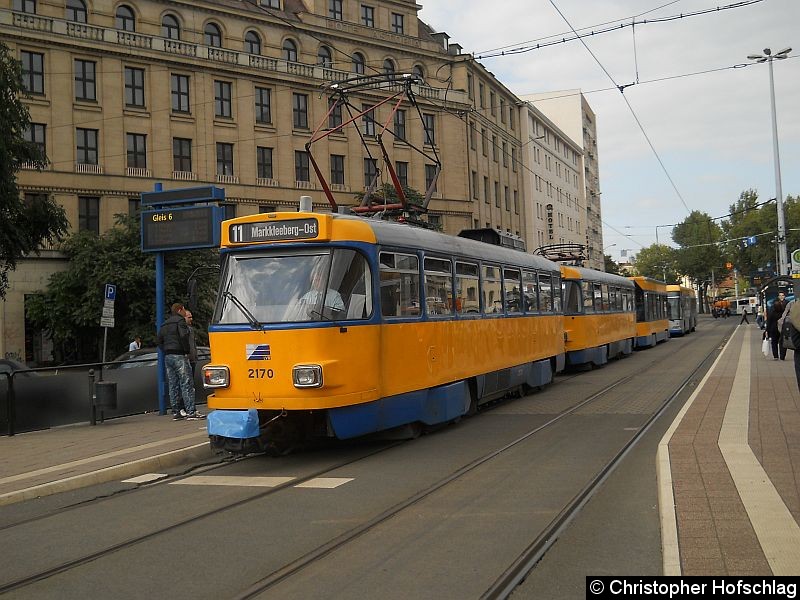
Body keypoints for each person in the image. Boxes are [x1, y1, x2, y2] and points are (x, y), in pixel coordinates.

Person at [157, 302, 204, 420]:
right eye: (183, 310)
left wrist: (166, 350)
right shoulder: (180, 321)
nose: (184, 312)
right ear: (179, 310)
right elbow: (183, 336)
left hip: (168, 356)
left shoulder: (164, 324)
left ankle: (176, 411)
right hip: (179, 355)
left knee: (173, 384)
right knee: (186, 382)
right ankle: (191, 411)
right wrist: (186, 350)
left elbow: (159, 341)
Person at [765, 296, 787, 361]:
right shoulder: (783, 313)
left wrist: (767, 331)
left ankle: (775, 356)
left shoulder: (772, 313)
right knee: (782, 343)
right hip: (782, 329)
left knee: (774, 343)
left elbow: (769, 323)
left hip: (773, 330)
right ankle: (782, 356)